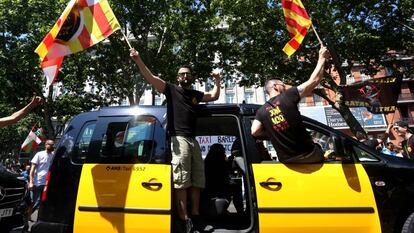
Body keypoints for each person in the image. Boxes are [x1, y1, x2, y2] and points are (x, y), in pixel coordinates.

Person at [130, 48, 221, 232]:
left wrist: (217, 80)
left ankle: (195, 216)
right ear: (177, 77)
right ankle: (184, 218)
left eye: (188, 74)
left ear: (192, 78)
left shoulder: (195, 94)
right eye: (182, 74)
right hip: (179, 139)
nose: (185, 76)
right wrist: (138, 59)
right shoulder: (171, 90)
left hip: (193, 140)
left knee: (197, 180)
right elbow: (151, 78)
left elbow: (214, 96)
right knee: (181, 181)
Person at [251, 46, 329, 163]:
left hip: (287, 161)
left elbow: (254, 131)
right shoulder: (288, 96)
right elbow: (314, 80)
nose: (286, 86)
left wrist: (274, 132)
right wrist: (322, 58)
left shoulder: (261, 111)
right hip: (308, 155)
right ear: (276, 87)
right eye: (283, 84)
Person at [29, 139, 55, 211]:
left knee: (42, 202)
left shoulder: (53, 156)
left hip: (47, 183)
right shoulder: (39, 154)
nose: (53, 146)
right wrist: (31, 182)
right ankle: (27, 216)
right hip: (38, 182)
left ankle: (33, 216)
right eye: (51, 144)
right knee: (33, 201)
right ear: (46, 145)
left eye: (53, 145)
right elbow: (32, 169)